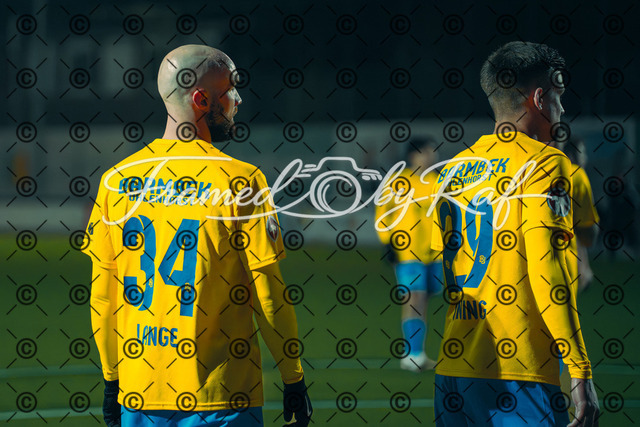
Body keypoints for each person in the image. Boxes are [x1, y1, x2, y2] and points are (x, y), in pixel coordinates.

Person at [82, 45, 312, 427]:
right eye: (231, 89)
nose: (238, 99)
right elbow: (268, 295)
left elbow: (104, 298)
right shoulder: (241, 181)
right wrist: (293, 377)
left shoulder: (116, 181)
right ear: (201, 99)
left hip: (140, 397)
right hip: (223, 397)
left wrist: (112, 381)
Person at [431, 41, 599, 426]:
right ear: (539, 99)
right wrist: (579, 370)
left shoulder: (453, 169)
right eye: (558, 96)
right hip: (520, 372)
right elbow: (547, 269)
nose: (562, 108)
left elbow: (447, 266)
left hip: (454, 367)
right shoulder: (546, 163)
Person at [375, 137, 443, 371]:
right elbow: (383, 213)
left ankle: (416, 353)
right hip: (407, 252)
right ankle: (412, 355)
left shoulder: (439, 182)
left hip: (435, 254)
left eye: (433, 152)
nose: (431, 156)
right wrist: (387, 243)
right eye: (426, 151)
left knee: (425, 300)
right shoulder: (398, 181)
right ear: (413, 155)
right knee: (414, 299)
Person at [556, 137, 600, 292]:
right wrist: (584, 266)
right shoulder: (577, 175)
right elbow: (586, 230)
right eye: (583, 153)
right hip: (564, 263)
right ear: (571, 155)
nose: (585, 158)